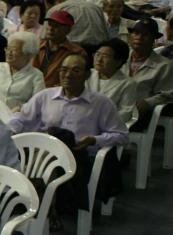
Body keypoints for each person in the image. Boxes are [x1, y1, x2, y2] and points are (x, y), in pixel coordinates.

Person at [7, 52, 128, 210]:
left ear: (87, 74)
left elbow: (121, 135)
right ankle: (23, 205)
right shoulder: (44, 96)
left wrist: (94, 140)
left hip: (78, 156)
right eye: (64, 70)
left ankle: (43, 212)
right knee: (14, 155)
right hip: (41, 153)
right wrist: (9, 131)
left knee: (48, 161)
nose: (68, 75)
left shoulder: (101, 103)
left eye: (75, 71)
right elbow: (21, 118)